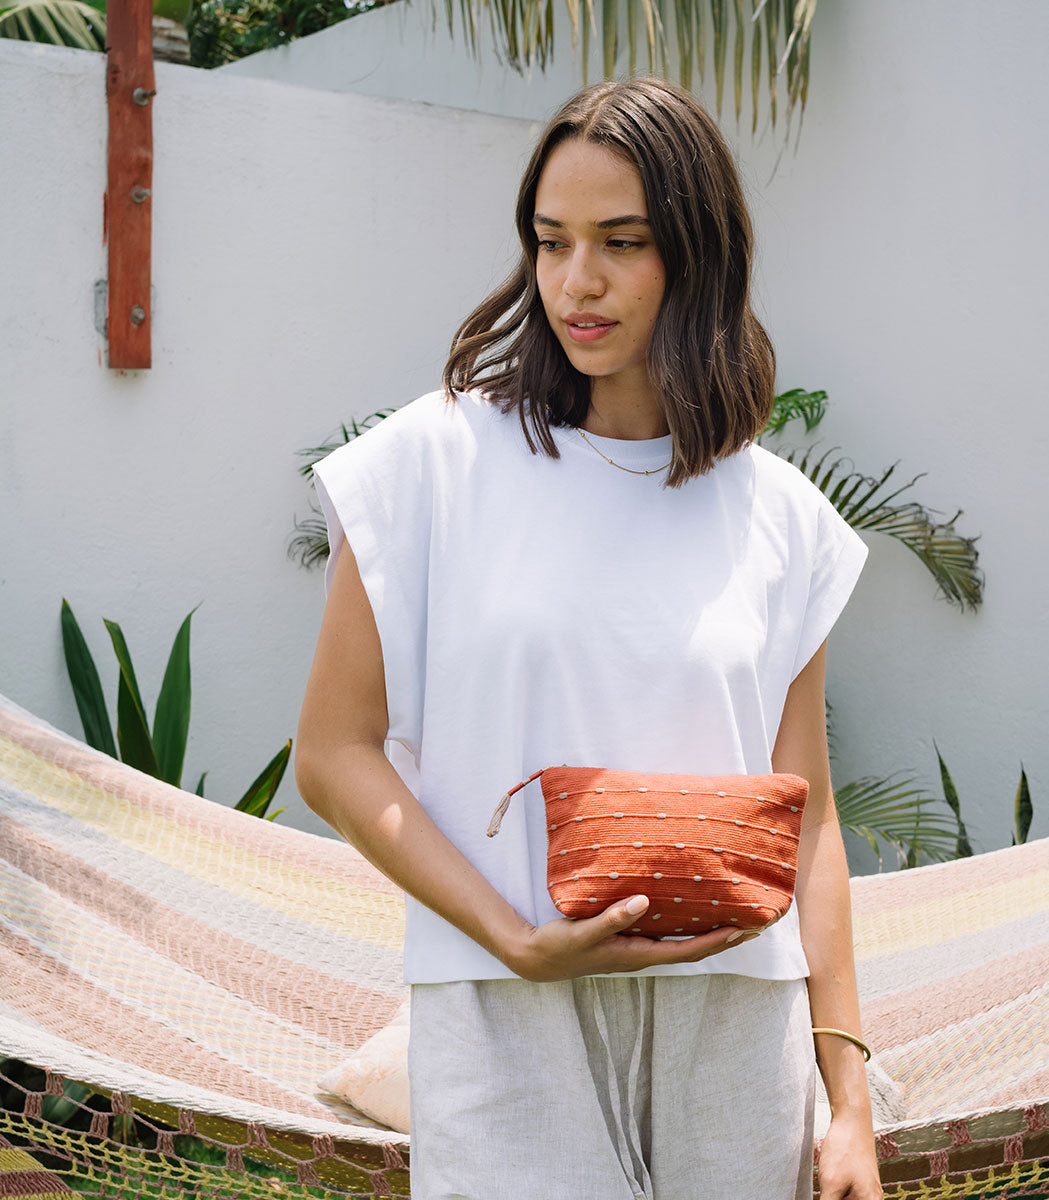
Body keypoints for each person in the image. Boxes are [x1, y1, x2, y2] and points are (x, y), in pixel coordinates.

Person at [296, 77, 883, 1200]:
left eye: (623, 242)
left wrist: (847, 1100)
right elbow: (333, 752)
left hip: (736, 1020)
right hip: (504, 1009)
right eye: (551, 241)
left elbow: (807, 817)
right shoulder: (430, 464)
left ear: (699, 258)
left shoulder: (783, 517)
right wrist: (511, 938)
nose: (579, 281)